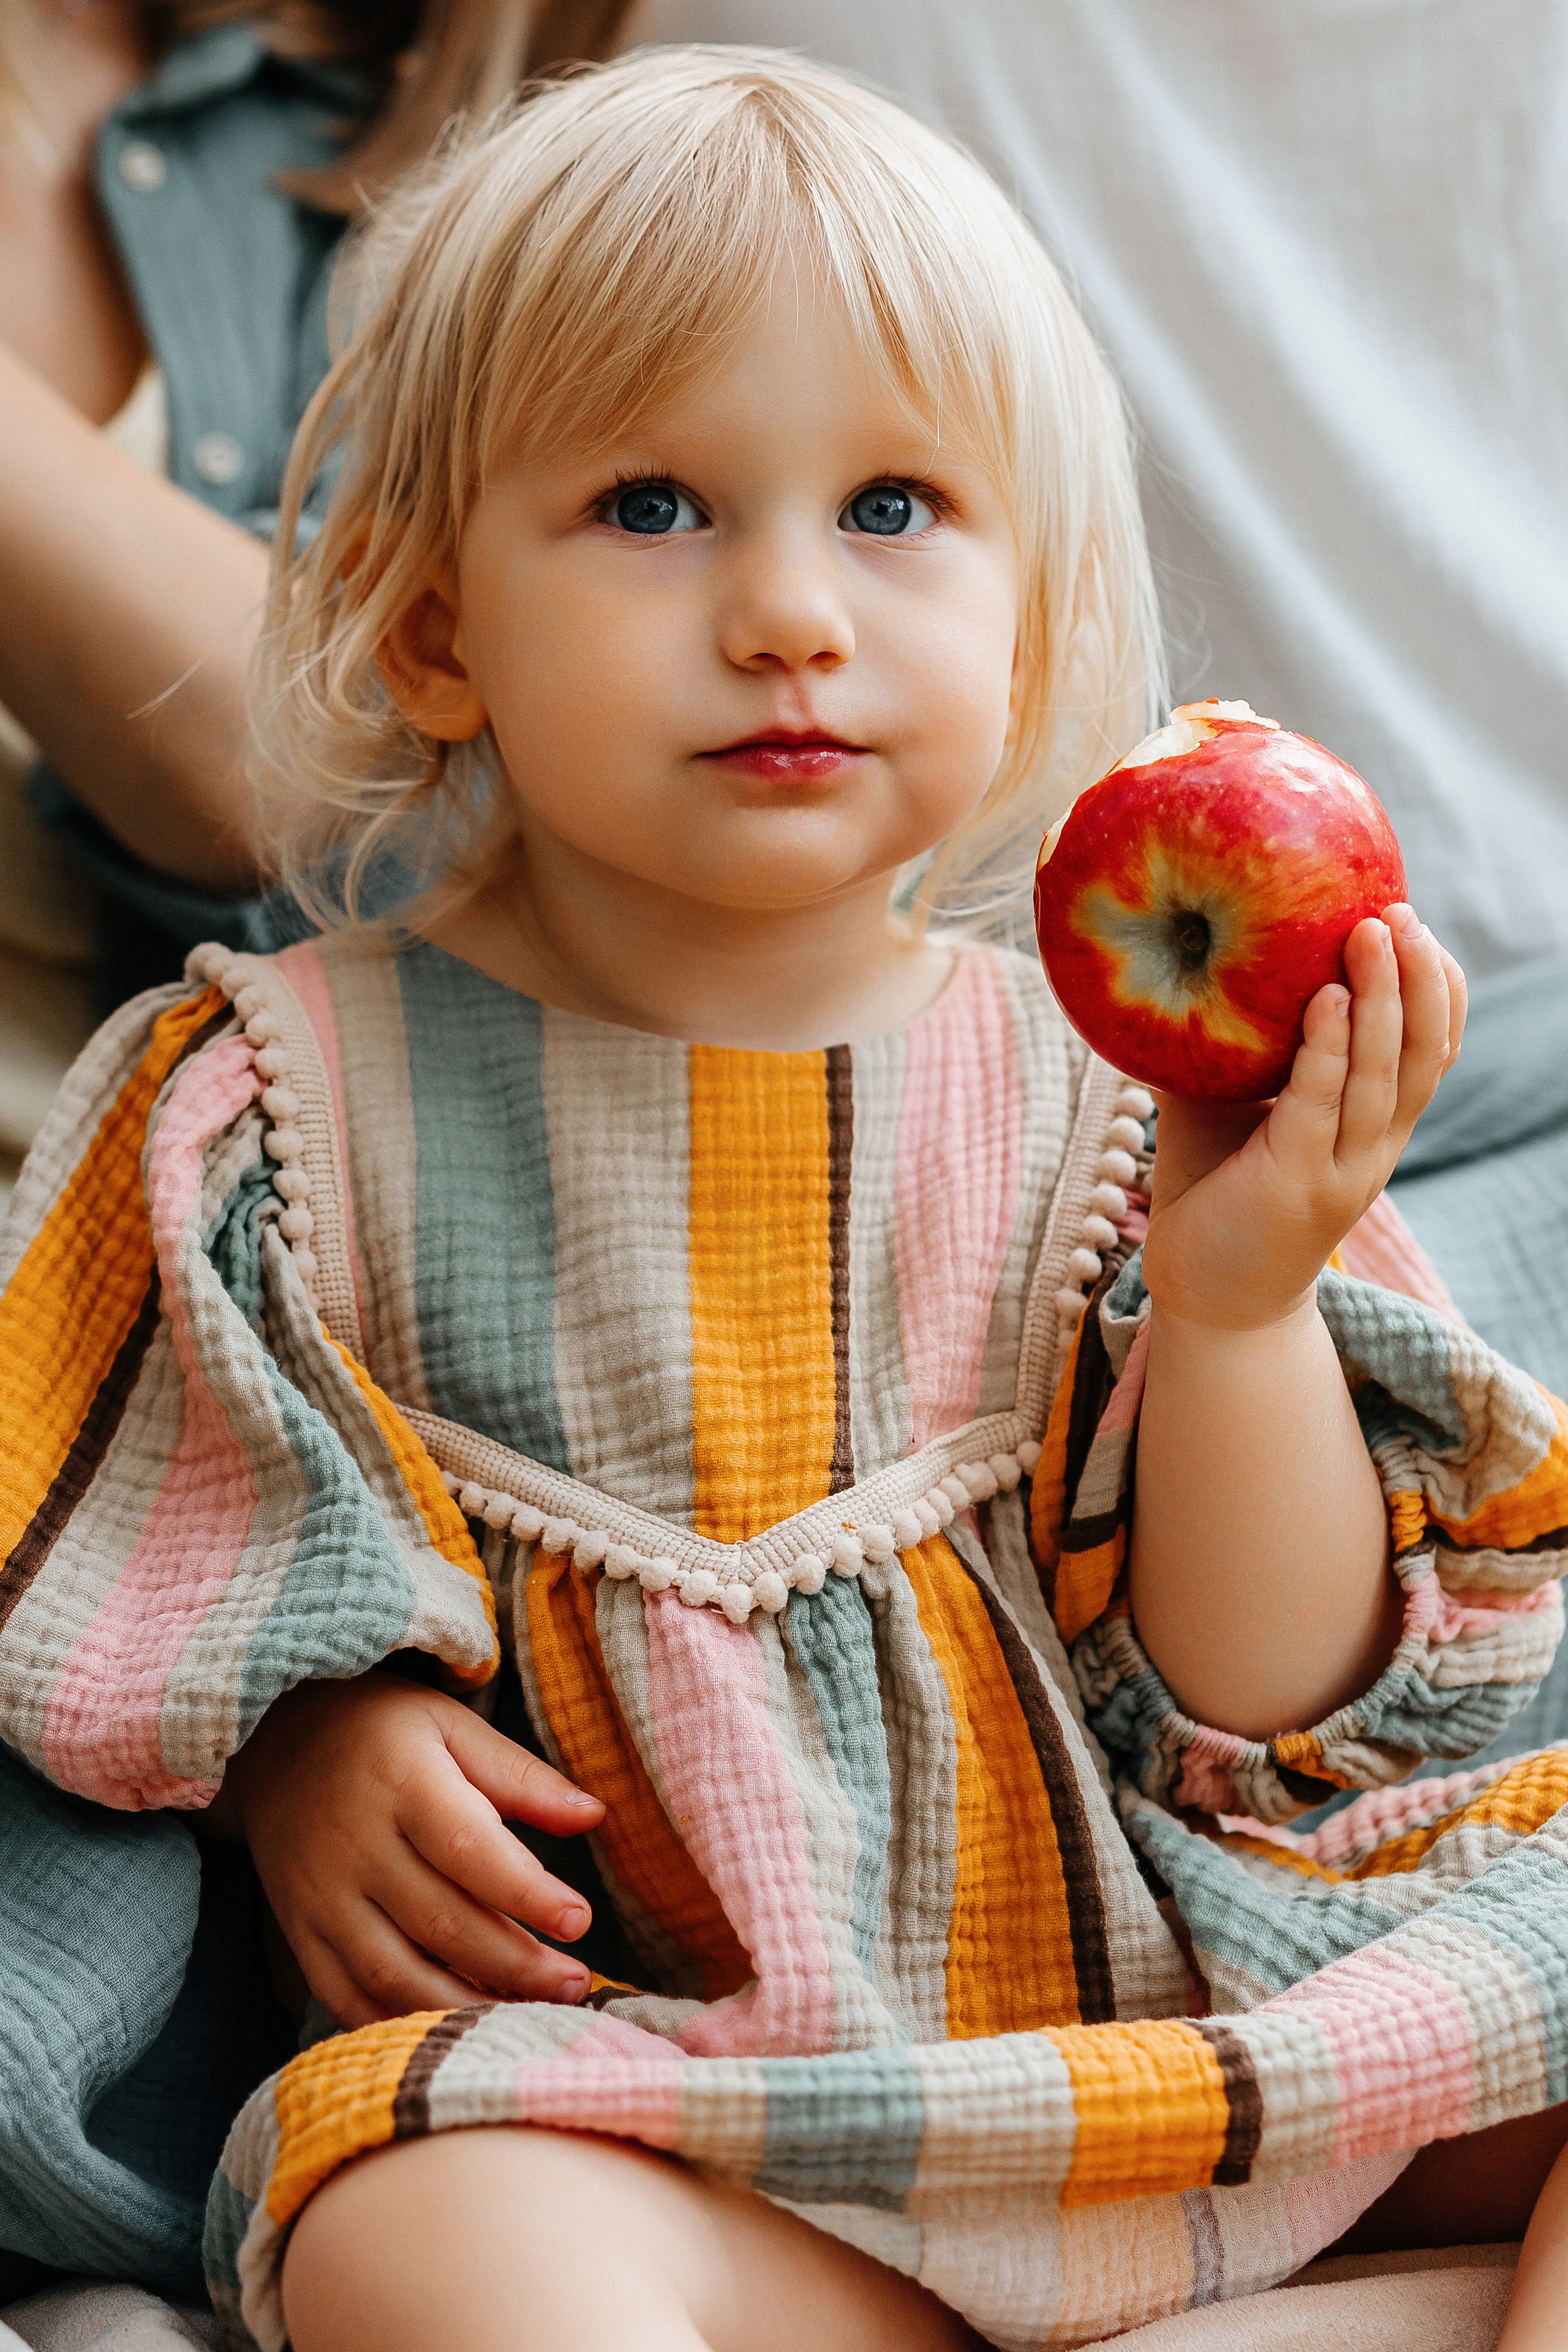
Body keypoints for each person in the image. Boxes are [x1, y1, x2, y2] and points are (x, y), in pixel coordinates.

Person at [2, 45, 1567, 2350]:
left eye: (896, 510)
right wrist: (303, 1751)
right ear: (432, 625)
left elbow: (1279, 1718)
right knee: (414, 2233)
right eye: (653, 506)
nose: (786, 614)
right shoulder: (284, 1101)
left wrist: (1236, 1315)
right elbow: (142, 1592)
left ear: (1027, 629)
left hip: (1190, 2059)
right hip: (686, 2115)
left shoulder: (1118, 1102)